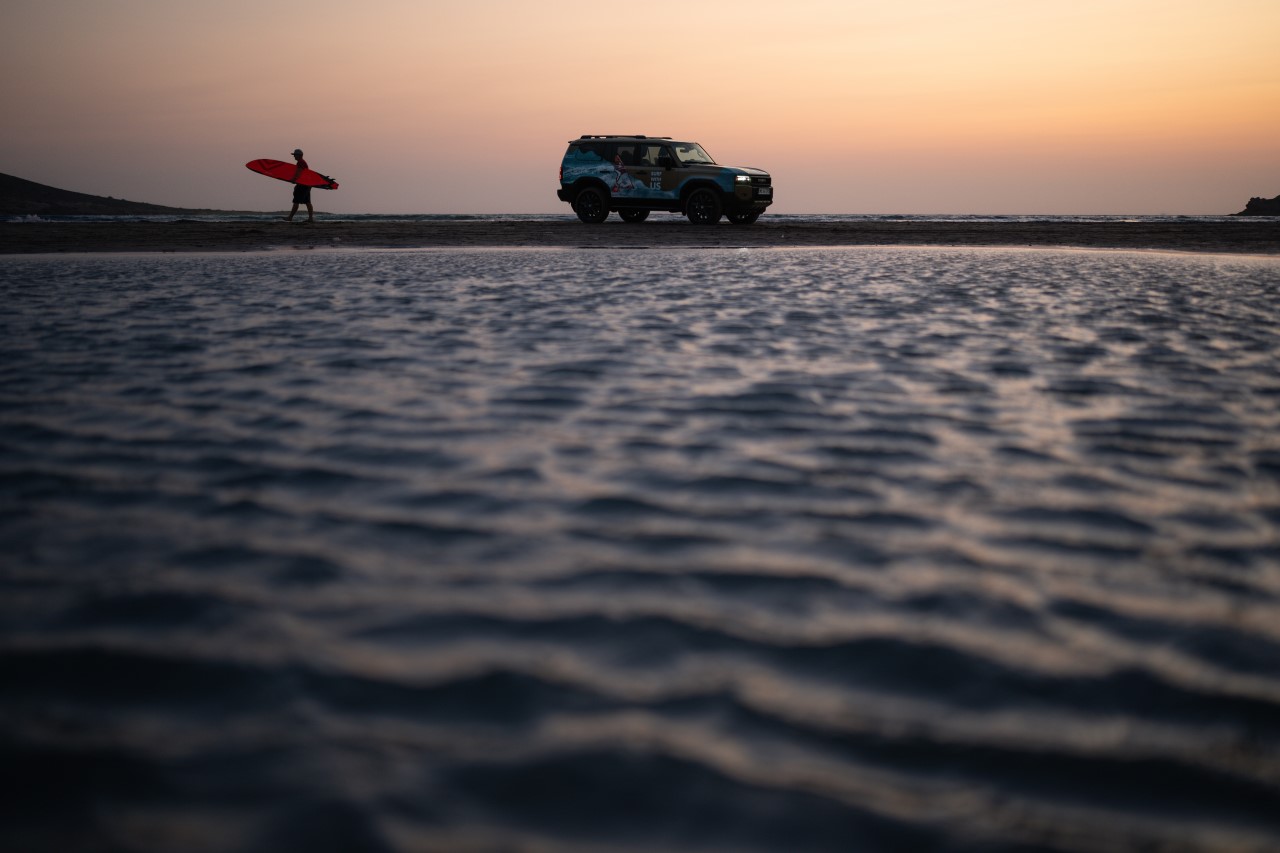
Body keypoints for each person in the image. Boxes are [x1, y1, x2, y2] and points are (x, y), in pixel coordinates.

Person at [284, 148, 314, 222]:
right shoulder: (303, 162)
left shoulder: (300, 162)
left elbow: (299, 172)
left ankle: (290, 218)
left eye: (295, 155)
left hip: (303, 184)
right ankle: (310, 218)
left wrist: (294, 179)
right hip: (307, 184)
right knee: (307, 202)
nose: (294, 156)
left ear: (299, 155)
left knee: (296, 201)